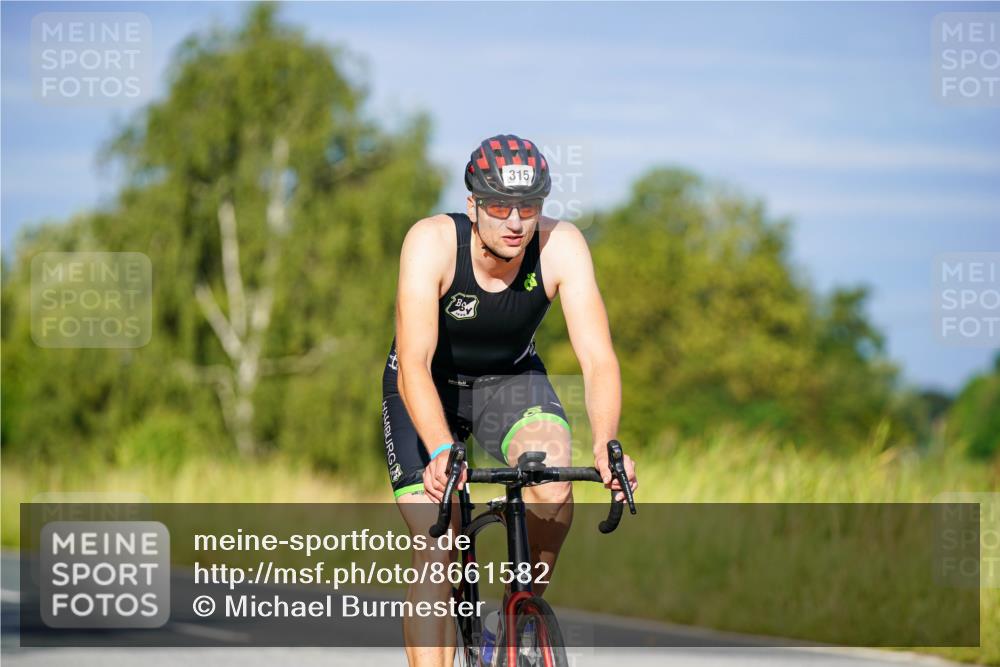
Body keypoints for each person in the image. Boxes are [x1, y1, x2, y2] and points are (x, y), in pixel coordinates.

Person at [381, 133, 637, 666]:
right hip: (427, 386)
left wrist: (606, 443)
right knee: (438, 543)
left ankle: (516, 621)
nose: (516, 222)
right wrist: (440, 448)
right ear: (473, 203)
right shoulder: (431, 242)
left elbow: (598, 359)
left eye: (529, 206)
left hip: (509, 382)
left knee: (553, 486)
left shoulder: (562, 245)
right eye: (499, 206)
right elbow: (415, 362)